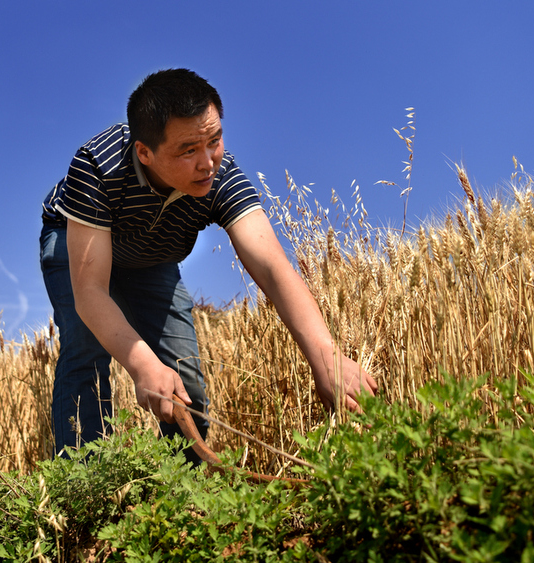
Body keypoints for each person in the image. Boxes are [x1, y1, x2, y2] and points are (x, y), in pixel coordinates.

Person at [40, 68, 377, 460]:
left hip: (153, 259)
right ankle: (85, 487)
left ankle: (184, 492)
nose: (208, 163)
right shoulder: (96, 165)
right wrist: (141, 363)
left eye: (214, 141)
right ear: (144, 152)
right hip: (78, 245)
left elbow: (271, 266)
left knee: (185, 380)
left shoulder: (221, 174)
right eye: (187, 150)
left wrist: (326, 355)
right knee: (85, 348)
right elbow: (91, 291)